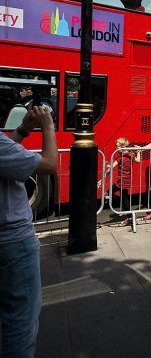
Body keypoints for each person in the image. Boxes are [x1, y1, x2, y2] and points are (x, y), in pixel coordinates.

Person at [0, 105, 57, 357]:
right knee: (21, 321)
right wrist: (47, 126)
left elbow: (5, 156)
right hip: (13, 243)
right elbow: (50, 164)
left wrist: (23, 130)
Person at [98, 137, 140, 226]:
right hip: (122, 180)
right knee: (122, 197)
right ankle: (128, 214)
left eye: (117, 147)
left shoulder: (126, 156)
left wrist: (139, 151)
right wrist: (102, 179)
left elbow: (138, 160)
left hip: (124, 181)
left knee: (119, 196)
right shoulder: (124, 156)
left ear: (123, 146)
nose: (116, 149)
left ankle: (129, 217)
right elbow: (110, 169)